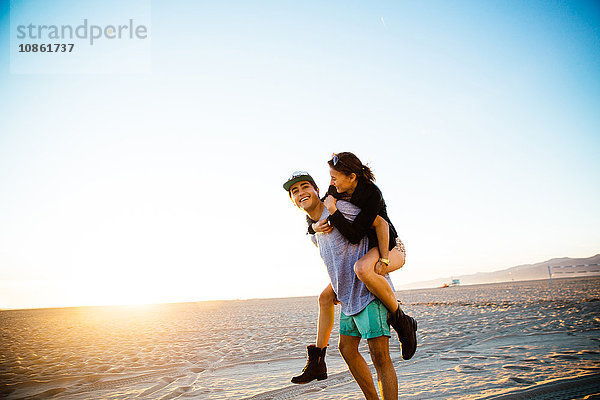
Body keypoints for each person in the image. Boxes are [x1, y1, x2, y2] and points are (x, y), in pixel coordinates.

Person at [288, 153, 418, 385]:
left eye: (335, 178)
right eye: (294, 191)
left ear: (351, 177)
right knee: (325, 298)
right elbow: (322, 225)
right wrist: (314, 228)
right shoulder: (332, 197)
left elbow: (372, 227)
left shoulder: (366, 195)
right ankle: (317, 359)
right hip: (367, 253)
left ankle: (402, 321)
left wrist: (385, 259)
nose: (332, 182)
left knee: (364, 270)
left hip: (388, 246)